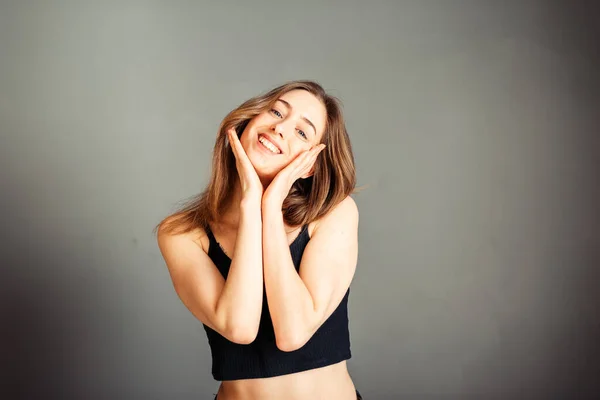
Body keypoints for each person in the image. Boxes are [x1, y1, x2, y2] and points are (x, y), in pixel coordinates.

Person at [155, 80, 362, 399]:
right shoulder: (182, 233)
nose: (280, 128)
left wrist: (271, 202)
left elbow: (293, 333)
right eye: (277, 111)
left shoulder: (334, 214)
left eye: (302, 132)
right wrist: (251, 204)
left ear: (310, 166)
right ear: (249, 120)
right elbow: (239, 326)